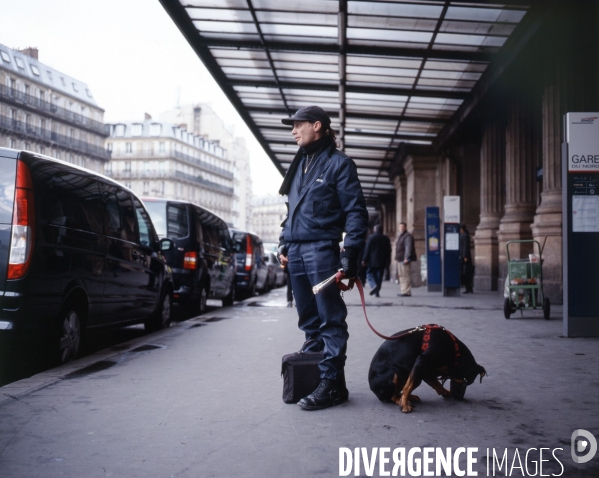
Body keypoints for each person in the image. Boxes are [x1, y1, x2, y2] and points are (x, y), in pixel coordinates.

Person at [277, 105, 368, 411]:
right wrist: (283, 244)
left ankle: (332, 384)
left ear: (317, 125)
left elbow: (356, 212)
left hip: (321, 250)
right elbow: (291, 210)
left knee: (330, 319)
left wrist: (350, 256)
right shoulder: (300, 162)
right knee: (308, 320)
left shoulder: (339, 164)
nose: (293, 131)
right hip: (298, 251)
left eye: (297, 125)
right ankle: (318, 380)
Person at [361, 225, 391, 297]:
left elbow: (367, 250)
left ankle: (373, 285)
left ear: (375, 230)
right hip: (382, 261)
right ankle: (377, 292)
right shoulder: (386, 238)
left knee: (369, 274)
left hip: (372, 261)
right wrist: (388, 261)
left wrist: (364, 260)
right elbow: (389, 251)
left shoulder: (371, 238)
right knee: (379, 277)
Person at [395, 222, 416, 297]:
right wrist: (397, 258)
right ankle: (403, 290)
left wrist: (406, 257)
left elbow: (408, 247)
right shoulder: (400, 236)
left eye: (402, 227)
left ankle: (406, 291)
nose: (401, 228)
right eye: (400, 227)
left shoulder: (407, 236)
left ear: (405, 227)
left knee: (405, 275)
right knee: (401, 275)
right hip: (400, 259)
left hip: (404, 259)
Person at [460, 224, 474, 294]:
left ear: (461, 229)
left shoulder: (465, 236)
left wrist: (465, 256)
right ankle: (468, 288)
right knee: (466, 273)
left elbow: (465, 247)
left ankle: (469, 288)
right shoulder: (464, 235)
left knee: (466, 273)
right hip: (464, 256)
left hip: (465, 257)